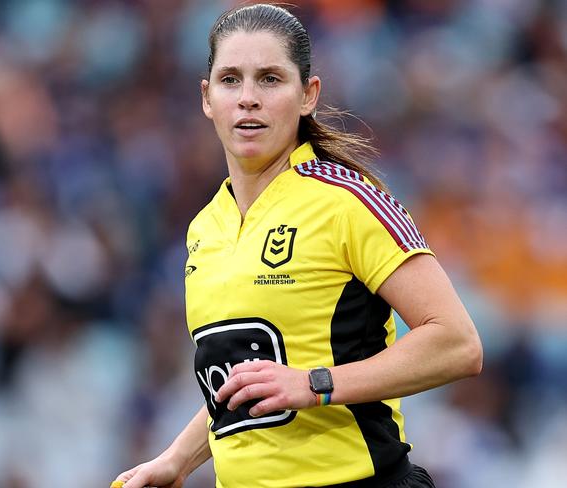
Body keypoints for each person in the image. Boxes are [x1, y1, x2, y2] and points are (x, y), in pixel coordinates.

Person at [111, 4, 482, 487]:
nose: (247, 99)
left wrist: (316, 384)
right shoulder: (205, 227)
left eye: (269, 79)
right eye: (230, 80)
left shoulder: (349, 202)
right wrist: (177, 460)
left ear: (308, 95)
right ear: (206, 98)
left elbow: (458, 343)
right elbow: (246, 385)